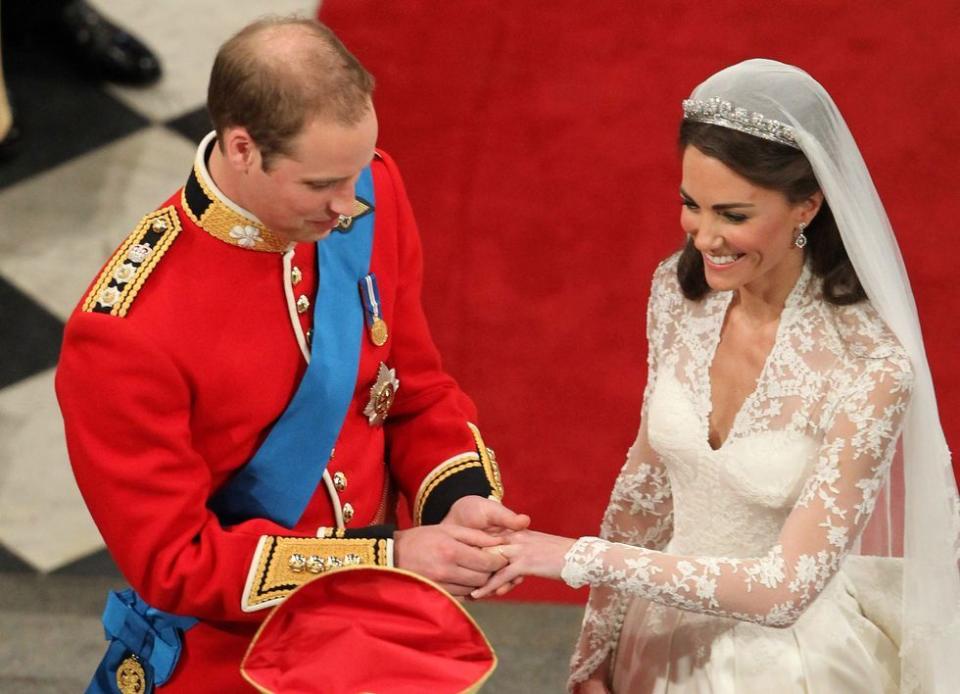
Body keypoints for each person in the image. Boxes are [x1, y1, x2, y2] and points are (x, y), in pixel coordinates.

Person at [56, 17, 527, 693]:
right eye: (320, 186)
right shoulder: (125, 331)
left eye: (358, 171)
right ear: (243, 148)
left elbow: (413, 389)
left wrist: (460, 501)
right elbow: (177, 563)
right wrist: (385, 555)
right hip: (232, 655)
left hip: (375, 634)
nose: (349, 206)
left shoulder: (371, 191)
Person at [473, 59, 960, 693]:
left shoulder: (873, 367)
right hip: (655, 634)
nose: (704, 237)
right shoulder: (678, 297)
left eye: (732, 214)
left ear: (807, 207)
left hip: (783, 666)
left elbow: (786, 591)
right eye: (690, 205)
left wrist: (572, 557)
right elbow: (644, 493)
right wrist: (596, 648)